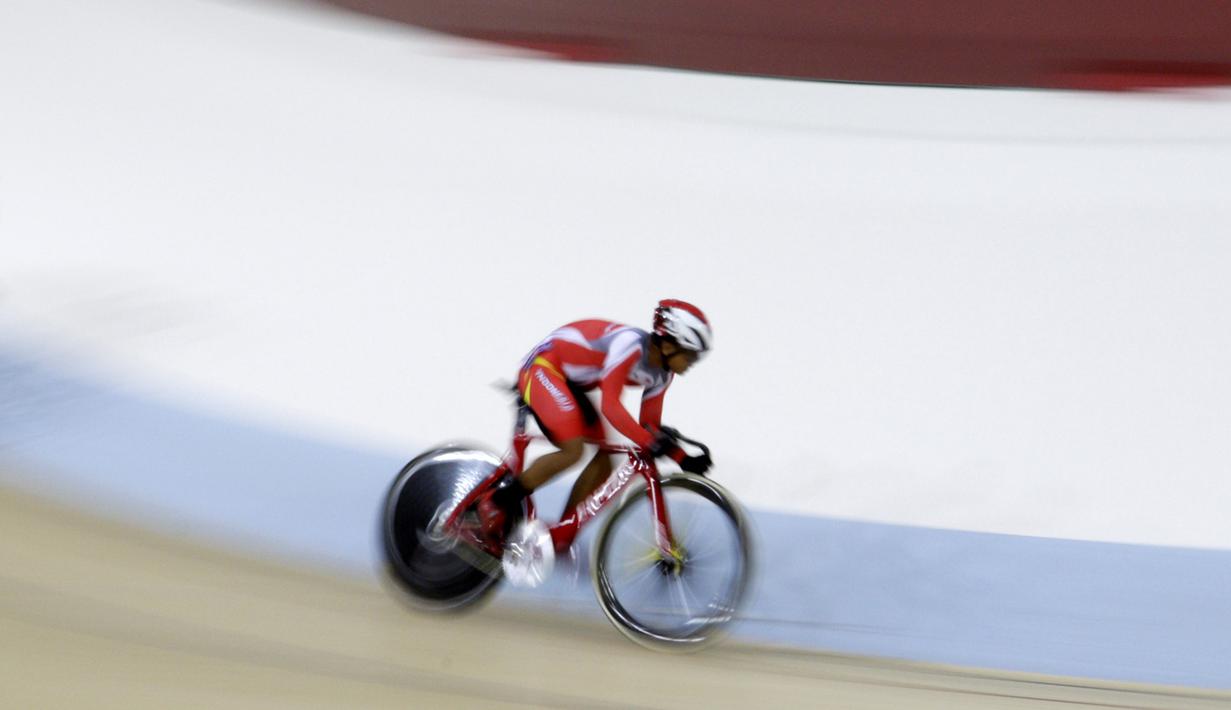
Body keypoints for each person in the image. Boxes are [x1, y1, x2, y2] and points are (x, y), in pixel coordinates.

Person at [477, 299, 714, 546]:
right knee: (573, 451)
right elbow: (611, 406)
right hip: (543, 368)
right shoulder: (629, 345)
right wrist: (652, 442)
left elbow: (648, 428)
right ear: (668, 345)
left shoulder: (663, 375)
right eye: (690, 355)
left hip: (570, 384)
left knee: (605, 459)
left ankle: (558, 537)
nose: (692, 363)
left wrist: (682, 458)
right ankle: (496, 503)